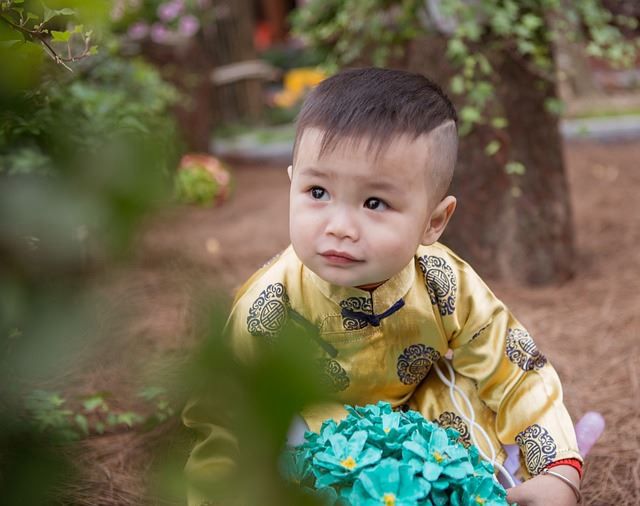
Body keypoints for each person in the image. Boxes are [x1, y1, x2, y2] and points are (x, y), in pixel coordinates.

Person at [183, 68, 583, 505]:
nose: (339, 227)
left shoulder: (443, 281)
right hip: (314, 435)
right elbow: (221, 415)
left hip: (417, 423)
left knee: (467, 395)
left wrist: (558, 470)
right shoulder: (271, 304)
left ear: (434, 221)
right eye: (317, 192)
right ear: (292, 182)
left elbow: (515, 369)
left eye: (375, 203)